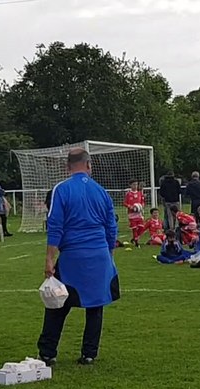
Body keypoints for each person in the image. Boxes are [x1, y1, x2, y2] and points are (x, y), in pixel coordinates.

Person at [37, 149, 120, 366]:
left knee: (58, 303)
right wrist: (109, 254)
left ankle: (48, 352)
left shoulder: (61, 190)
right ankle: (89, 353)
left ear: (67, 166)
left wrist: (49, 258)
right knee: (96, 304)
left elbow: (55, 225)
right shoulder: (101, 191)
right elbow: (112, 227)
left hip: (74, 255)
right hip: (99, 253)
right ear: (89, 166)